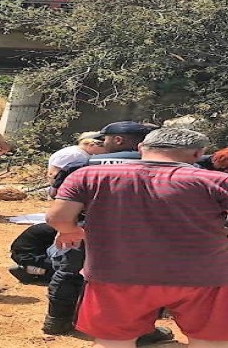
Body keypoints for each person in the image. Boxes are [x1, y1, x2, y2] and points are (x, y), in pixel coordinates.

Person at [47, 127, 228, 348]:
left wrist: (68, 231)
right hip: (204, 277)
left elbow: (58, 217)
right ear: (198, 154)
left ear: (141, 148)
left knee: (113, 341)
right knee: (210, 342)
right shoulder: (220, 181)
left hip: (115, 274)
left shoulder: (89, 175)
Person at [45, 121, 155, 335]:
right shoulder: (165, 167)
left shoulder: (82, 166)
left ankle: (56, 322)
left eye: (104, 139)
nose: (101, 143)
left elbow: (56, 196)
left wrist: (68, 227)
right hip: (143, 233)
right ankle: (138, 331)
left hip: (87, 229)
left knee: (69, 272)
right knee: (137, 281)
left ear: (118, 140)